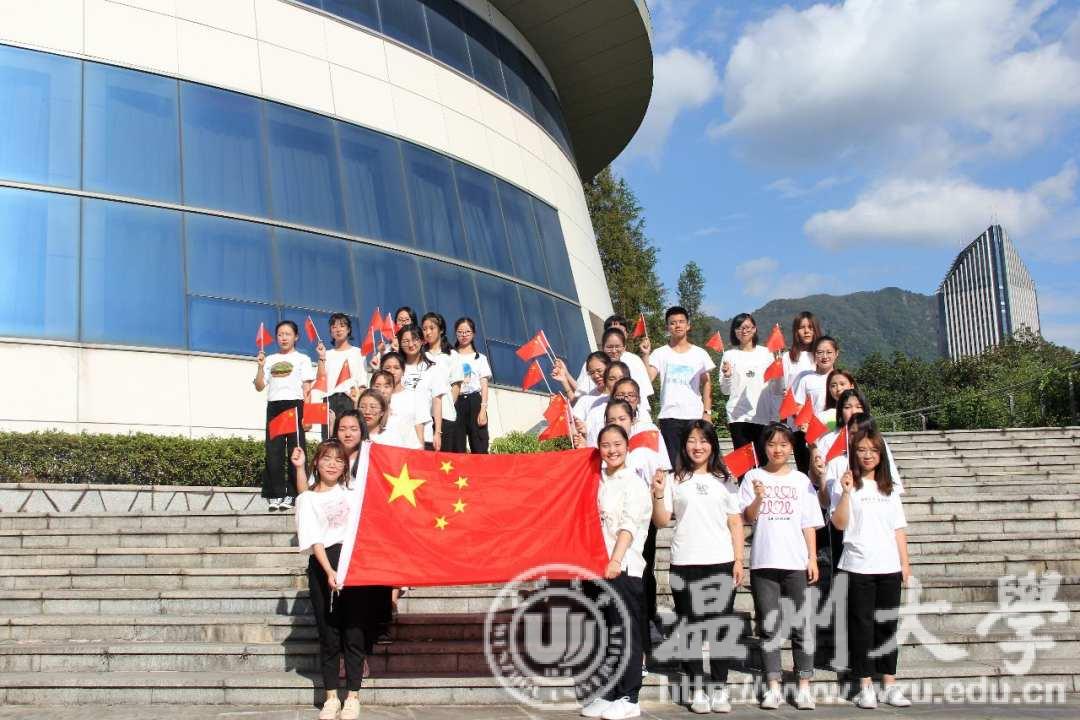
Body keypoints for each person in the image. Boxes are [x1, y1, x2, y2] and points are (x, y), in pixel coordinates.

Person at [650, 420, 743, 714]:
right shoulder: (674, 479)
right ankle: (696, 688)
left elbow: (735, 521)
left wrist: (739, 560)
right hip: (685, 562)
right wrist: (657, 493)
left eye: (703, 440)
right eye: (692, 440)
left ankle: (719, 687)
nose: (698, 446)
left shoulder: (725, 479)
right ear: (684, 445)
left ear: (712, 445)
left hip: (720, 561)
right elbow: (661, 521)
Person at [739, 422, 823, 710]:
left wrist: (812, 557)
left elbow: (809, 523)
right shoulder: (753, 476)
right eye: (772, 444)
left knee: (803, 624)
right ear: (763, 447)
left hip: (796, 562)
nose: (778, 449)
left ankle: (804, 685)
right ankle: (773, 685)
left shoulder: (801, 480)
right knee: (769, 626)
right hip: (764, 562)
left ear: (791, 447)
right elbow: (746, 518)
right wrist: (759, 498)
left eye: (784, 444)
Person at [829, 425, 912, 709]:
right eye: (862, 450)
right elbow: (839, 523)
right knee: (861, 627)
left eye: (873, 450)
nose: (867, 455)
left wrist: (905, 564)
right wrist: (845, 493)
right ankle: (864, 685)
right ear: (854, 453)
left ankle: (889, 683)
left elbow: (898, 529)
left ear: (881, 454)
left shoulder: (890, 489)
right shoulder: (848, 485)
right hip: (857, 565)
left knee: (887, 625)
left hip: (888, 566)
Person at [580, 424, 652, 720]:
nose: (612, 450)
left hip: (623, 567)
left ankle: (629, 696)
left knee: (626, 632)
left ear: (627, 446)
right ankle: (609, 692)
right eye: (606, 445)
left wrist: (616, 560)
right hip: (595, 567)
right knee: (606, 633)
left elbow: (628, 525)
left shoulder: (633, 483)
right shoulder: (597, 480)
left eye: (617, 444)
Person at [289, 440, 365, 720]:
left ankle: (353, 697)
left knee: (354, 634)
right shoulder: (306, 499)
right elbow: (314, 538)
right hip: (324, 565)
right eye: (327, 459)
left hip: (354, 564)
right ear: (317, 463)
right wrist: (330, 571)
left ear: (345, 466)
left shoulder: (352, 492)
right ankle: (331, 697)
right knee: (329, 635)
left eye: (339, 460)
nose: (332, 464)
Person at [254, 320, 319, 511]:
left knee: (295, 450)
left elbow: (307, 389)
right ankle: (275, 494)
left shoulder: (303, 359)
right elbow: (259, 386)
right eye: (280, 334)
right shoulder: (269, 359)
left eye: (288, 334)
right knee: (273, 451)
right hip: (274, 406)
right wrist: (260, 366)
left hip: (295, 406)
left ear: (296, 337)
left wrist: (309, 416)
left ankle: (293, 493)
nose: (283, 338)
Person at [639, 306, 715, 468]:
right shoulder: (660, 353)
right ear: (667, 327)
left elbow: (707, 383)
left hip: (694, 415)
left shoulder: (700, 353)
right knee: (674, 464)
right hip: (669, 416)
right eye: (673, 323)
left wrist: (707, 412)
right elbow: (647, 379)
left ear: (688, 325)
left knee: (697, 462)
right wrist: (645, 355)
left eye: (681, 322)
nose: (677, 325)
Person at [719, 313, 782, 473]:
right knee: (743, 468)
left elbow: (776, 388)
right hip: (738, 416)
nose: (743, 330)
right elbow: (725, 390)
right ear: (734, 332)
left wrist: (775, 416)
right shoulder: (729, 355)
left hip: (762, 415)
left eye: (747, 327)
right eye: (739, 328)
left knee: (765, 464)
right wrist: (727, 376)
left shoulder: (767, 353)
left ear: (754, 329)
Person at [571, 317, 654, 405]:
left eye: (619, 331)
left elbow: (643, 394)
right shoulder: (592, 362)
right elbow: (581, 391)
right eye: (610, 346)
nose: (614, 351)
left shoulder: (634, 360)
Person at [791, 336, 841, 472]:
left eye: (829, 352)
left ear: (836, 353)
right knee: (809, 476)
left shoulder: (840, 378)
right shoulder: (806, 379)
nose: (824, 356)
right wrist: (805, 425)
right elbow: (797, 407)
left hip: (835, 433)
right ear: (814, 355)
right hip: (809, 434)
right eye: (820, 352)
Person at [420, 313, 464, 451]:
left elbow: (456, 385)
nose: (427, 332)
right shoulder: (421, 355)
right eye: (424, 329)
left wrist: (447, 405)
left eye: (431, 328)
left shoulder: (452, 355)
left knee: (443, 457)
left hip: (445, 414)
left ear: (441, 330)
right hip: (424, 414)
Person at [323, 313, 368, 439]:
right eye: (334, 327)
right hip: (329, 400)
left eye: (342, 326)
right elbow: (320, 381)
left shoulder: (358, 353)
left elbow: (362, 383)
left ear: (348, 329)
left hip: (349, 399)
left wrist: (359, 404)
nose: (338, 330)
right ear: (330, 332)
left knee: (348, 437)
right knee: (329, 438)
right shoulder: (326, 354)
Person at [451, 317, 492, 453]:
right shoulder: (450, 356)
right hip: (455, 401)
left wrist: (483, 410)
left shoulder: (480, 358)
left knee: (480, 444)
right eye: (460, 332)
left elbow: (484, 386)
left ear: (473, 334)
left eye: (467, 332)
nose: (464, 335)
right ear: (456, 333)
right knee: (457, 445)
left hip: (474, 402)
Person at [378, 351, 427, 449]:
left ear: (403, 371)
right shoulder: (375, 397)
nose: (392, 371)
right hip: (382, 451)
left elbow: (419, 429)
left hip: (408, 452)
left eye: (396, 368)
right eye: (387, 368)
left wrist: (420, 452)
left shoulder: (414, 396)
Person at [584, 361, 630, 447]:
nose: (617, 382)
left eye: (621, 378)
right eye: (612, 379)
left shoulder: (637, 405)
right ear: (605, 383)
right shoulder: (595, 411)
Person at [783, 312, 820, 390]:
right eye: (802, 327)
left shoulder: (822, 356)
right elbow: (783, 387)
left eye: (810, 327)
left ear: (816, 330)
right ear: (796, 331)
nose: (806, 331)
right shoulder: (787, 357)